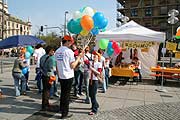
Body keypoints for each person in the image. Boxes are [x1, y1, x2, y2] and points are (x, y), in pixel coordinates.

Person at [55, 35, 84, 119]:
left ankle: (61, 108)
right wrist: (78, 58)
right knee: (66, 95)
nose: (71, 43)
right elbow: (72, 66)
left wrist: (58, 74)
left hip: (61, 75)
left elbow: (56, 65)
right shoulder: (69, 52)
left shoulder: (57, 51)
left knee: (63, 93)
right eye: (71, 42)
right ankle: (65, 113)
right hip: (68, 76)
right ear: (67, 41)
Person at [40, 46, 55, 111]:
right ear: (49, 51)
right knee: (47, 90)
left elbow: (40, 65)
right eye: (52, 51)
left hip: (43, 74)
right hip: (49, 76)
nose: (53, 52)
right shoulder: (51, 59)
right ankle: (45, 104)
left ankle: (45, 103)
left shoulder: (42, 57)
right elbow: (50, 68)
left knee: (44, 90)